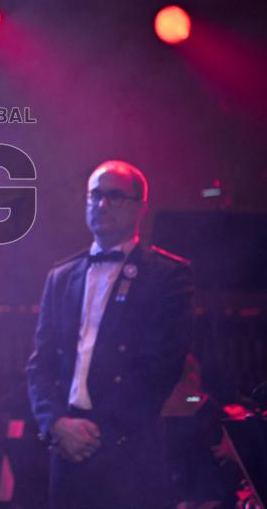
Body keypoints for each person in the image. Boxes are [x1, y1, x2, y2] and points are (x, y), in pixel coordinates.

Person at [26, 160, 194, 508]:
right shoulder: (60, 276)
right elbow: (39, 365)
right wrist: (56, 424)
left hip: (127, 450)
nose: (102, 205)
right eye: (96, 195)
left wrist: (97, 432)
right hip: (67, 449)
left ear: (140, 207)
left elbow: (161, 367)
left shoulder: (165, 276)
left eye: (115, 197)